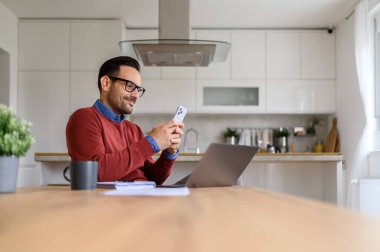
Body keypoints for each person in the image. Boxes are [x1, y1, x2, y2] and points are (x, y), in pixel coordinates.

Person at [66, 56, 185, 185]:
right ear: (106, 83)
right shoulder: (84, 118)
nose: (136, 95)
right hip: (112, 203)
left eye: (138, 89)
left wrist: (169, 153)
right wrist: (151, 143)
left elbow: (152, 178)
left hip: (142, 197)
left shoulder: (134, 129)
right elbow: (95, 174)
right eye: (130, 86)